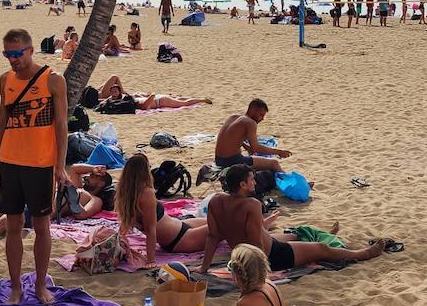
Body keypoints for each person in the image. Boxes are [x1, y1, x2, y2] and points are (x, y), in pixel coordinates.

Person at [0, 29, 69, 305]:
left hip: (40, 164)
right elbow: (1, 122)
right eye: (7, 54)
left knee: (41, 226)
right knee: (12, 225)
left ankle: (39, 285)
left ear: (30, 50)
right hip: (9, 162)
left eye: (17, 53)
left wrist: (60, 166)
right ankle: (15, 287)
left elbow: (61, 126)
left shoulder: (53, 80)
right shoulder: (6, 80)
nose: (12, 59)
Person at [202, 165, 383, 274]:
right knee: (322, 249)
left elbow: (213, 236)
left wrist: (204, 267)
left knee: (295, 234)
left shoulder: (216, 201)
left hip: (246, 253)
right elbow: (257, 243)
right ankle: (362, 254)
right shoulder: (252, 204)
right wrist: (262, 273)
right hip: (272, 255)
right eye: (252, 180)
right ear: (242, 185)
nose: (255, 183)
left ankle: (324, 235)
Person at [116, 154, 209, 261]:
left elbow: (124, 222)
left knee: (214, 220)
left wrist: (119, 239)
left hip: (179, 227)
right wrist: (151, 260)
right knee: (221, 225)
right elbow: (150, 230)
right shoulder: (146, 193)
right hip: (180, 239)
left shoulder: (124, 193)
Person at [214, 99, 290, 172]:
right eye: (261, 115)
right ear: (253, 110)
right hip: (232, 161)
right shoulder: (250, 123)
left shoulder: (232, 117)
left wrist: (246, 147)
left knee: (256, 160)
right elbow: (256, 148)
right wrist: (279, 152)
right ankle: (288, 180)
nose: (262, 119)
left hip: (218, 159)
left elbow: (230, 138)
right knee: (274, 163)